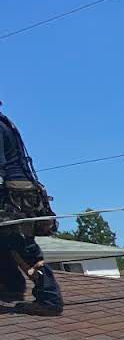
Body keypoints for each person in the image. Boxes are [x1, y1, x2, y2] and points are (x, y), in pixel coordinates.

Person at [0, 103, 63, 316]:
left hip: (11, 194)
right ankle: (10, 289)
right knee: (5, 241)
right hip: (19, 191)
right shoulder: (4, 122)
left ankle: (49, 299)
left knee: (20, 243)